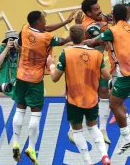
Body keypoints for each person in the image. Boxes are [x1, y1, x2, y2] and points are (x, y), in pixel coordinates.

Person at [11, 10, 72, 164]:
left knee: (20, 108)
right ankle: (31, 148)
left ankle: (15, 142)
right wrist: (75, 30)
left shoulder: (25, 29)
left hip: (21, 76)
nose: (46, 22)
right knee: (35, 114)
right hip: (35, 79)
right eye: (44, 19)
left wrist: (65, 22)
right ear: (38, 22)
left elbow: (47, 29)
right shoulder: (46, 38)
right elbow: (64, 41)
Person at [83, 4, 130, 155]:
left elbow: (93, 42)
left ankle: (126, 137)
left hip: (126, 74)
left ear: (115, 16)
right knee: (117, 100)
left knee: (112, 105)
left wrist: (77, 44)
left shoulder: (111, 31)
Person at [47, 24, 111, 165]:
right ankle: (105, 156)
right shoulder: (97, 55)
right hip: (92, 98)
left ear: (72, 37)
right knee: (93, 127)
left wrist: (51, 64)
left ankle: (88, 162)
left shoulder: (67, 53)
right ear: (84, 37)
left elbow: (55, 77)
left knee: (77, 132)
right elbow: (107, 76)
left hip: (74, 99)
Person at [73, 0, 111, 144]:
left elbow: (106, 16)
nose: (100, 10)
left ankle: (103, 130)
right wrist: (110, 25)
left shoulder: (99, 18)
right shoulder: (89, 25)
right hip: (86, 64)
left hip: (97, 62)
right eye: (96, 9)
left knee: (103, 91)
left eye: (99, 7)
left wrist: (108, 18)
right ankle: (74, 130)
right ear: (88, 13)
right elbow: (102, 38)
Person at [0, 30, 19, 97]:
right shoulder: (1, 49)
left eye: (15, 40)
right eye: (10, 40)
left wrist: (19, 48)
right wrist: (7, 48)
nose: (12, 42)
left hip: (19, 88)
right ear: (6, 42)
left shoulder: (22, 49)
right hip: (3, 88)